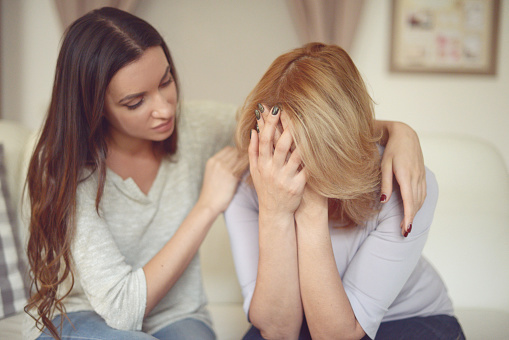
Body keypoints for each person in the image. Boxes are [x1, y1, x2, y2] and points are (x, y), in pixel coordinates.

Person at [24, 7, 427, 340]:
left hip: (179, 317)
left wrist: (398, 132)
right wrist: (207, 206)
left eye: (167, 81)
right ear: (93, 106)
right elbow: (122, 310)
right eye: (135, 102)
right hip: (85, 317)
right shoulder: (62, 168)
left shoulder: (196, 126)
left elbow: (299, 121)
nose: (165, 108)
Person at [225, 43, 465, 339]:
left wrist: (311, 206)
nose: (284, 158)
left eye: (300, 144)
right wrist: (275, 213)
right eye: (276, 139)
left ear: (336, 142)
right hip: (304, 319)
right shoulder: (246, 180)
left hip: (411, 318)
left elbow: (336, 336)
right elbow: (278, 330)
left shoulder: (403, 180)